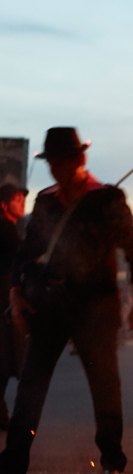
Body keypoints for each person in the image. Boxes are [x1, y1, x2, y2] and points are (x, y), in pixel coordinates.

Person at [0, 127, 133, 474]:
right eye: (51, 164)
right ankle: (15, 457)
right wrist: (16, 295)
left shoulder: (108, 199)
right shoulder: (46, 200)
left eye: (61, 163)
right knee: (31, 384)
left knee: (104, 385)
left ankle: (112, 458)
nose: (55, 171)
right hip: (50, 304)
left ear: (79, 160)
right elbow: (26, 254)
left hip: (96, 306)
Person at [0, 184, 27, 430]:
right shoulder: (5, 229)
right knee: (5, 360)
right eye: (17, 200)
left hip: (6, 301)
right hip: (4, 302)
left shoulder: (9, 228)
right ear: (4, 205)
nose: (22, 203)